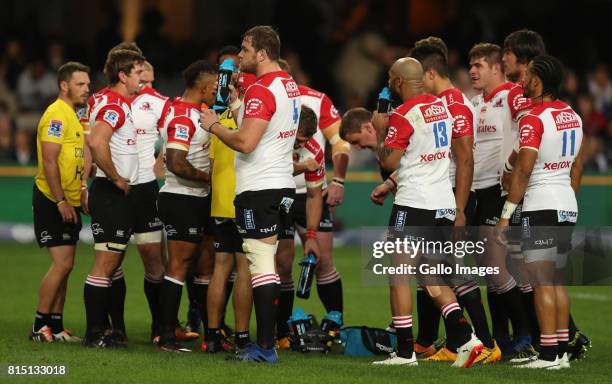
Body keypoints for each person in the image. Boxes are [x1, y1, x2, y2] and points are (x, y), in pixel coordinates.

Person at [200, 25, 316, 363]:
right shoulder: (288, 85)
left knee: (259, 262)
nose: (241, 55)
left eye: (246, 49)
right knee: (265, 263)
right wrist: (237, 104)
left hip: (259, 187)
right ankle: (264, 344)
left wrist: (214, 125)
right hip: (281, 185)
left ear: (261, 53)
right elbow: (266, 130)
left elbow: (247, 142)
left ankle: (265, 348)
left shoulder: (264, 89)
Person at [370, 57, 483, 367]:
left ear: (397, 83)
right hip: (443, 203)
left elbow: (388, 163)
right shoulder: (442, 107)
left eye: (391, 79)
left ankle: (405, 353)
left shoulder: (404, 114)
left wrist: (382, 131)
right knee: (430, 275)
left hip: (414, 204)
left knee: (399, 275)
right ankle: (467, 337)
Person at [409, 37, 499, 364]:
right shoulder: (442, 103)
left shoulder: (455, 105)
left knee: (448, 271)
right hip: (439, 197)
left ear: (430, 73)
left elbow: (465, 160)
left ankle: (485, 343)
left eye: (418, 77)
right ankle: (434, 341)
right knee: (431, 271)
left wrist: (459, 209)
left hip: (451, 199)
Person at [496, 54, 584, 369]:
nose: (522, 81)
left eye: (527, 76)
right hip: (565, 204)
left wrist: (506, 214)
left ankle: (548, 354)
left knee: (542, 283)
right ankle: (560, 351)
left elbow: (523, 171)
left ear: (539, 80)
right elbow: (577, 166)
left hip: (541, 204)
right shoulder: (573, 114)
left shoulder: (533, 118)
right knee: (556, 281)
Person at [274, 59, 348, 347]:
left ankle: (335, 324)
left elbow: (340, 142)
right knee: (281, 264)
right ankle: (281, 333)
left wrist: (339, 181)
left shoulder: (316, 100)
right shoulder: (260, 101)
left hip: (311, 187)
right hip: (276, 190)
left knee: (324, 260)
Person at [468, 43, 535, 357]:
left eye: (478, 65)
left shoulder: (512, 96)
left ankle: (525, 331)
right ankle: (500, 334)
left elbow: (528, 131)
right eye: (471, 66)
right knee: (488, 268)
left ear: (497, 67)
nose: (472, 71)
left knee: (500, 266)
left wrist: (511, 167)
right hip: (477, 192)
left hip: (500, 191)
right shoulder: (473, 103)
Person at [82, 49, 145, 348]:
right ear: (122, 75)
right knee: (104, 265)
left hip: (109, 192)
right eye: (137, 72)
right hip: (111, 192)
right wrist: (116, 177)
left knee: (114, 265)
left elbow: (88, 138)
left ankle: (109, 330)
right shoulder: (115, 105)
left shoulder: (103, 99)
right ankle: (94, 334)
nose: (142, 78)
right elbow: (96, 140)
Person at [155, 60, 217, 353]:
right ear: (203, 87)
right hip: (182, 198)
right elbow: (177, 163)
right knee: (177, 266)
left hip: (200, 198)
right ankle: (166, 336)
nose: (217, 91)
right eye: (215, 86)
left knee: (205, 265)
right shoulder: (182, 117)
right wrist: (211, 178)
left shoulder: (199, 114)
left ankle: (212, 335)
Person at [29, 62, 90, 343]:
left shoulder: (74, 116)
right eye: (80, 84)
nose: (86, 89)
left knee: (67, 265)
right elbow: (50, 160)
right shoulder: (56, 115)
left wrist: (80, 191)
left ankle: (56, 326)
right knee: (62, 265)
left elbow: (75, 160)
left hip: (71, 199)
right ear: (64, 85)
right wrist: (61, 200)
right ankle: (39, 326)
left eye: (88, 84)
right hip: (52, 199)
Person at [203, 45, 253, 353]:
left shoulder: (213, 113)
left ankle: (211, 335)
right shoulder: (252, 111)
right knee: (245, 268)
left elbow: (210, 164)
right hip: (245, 197)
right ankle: (243, 337)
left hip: (220, 199)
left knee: (220, 268)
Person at [275, 105, 325, 347]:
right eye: (300, 138)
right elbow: (271, 166)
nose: (302, 144)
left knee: (284, 264)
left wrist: (312, 235)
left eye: (307, 139)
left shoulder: (313, 150)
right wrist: (303, 167)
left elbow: (315, 196)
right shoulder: (273, 135)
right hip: (258, 196)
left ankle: (281, 333)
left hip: (286, 200)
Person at [128, 59, 170, 343]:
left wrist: (161, 159)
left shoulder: (162, 103)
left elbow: (176, 132)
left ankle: (161, 327)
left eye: (146, 67)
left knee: (155, 262)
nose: (142, 72)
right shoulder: (111, 101)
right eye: (136, 69)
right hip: (114, 187)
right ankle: (113, 327)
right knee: (110, 261)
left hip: (145, 187)